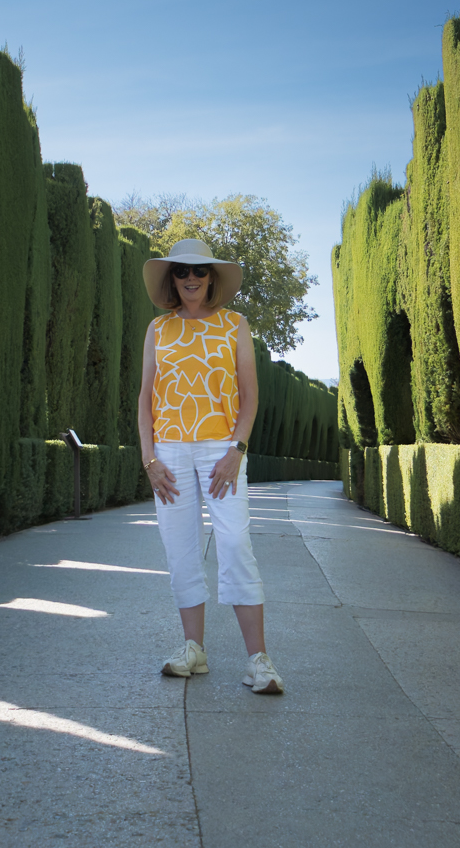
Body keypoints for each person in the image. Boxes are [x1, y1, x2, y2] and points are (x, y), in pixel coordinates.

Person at [139, 238, 284, 695]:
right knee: (179, 548)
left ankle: (258, 661)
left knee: (236, 542)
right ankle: (193, 651)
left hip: (222, 449)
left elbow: (250, 395)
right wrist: (149, 459)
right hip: (170, 451)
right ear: (171, 279)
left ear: (212, 277)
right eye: (181, 272)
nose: (191, 279)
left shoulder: (234, 325)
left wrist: (236, 450)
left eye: (199, 271)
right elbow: (145, 400)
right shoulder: (157, 330)